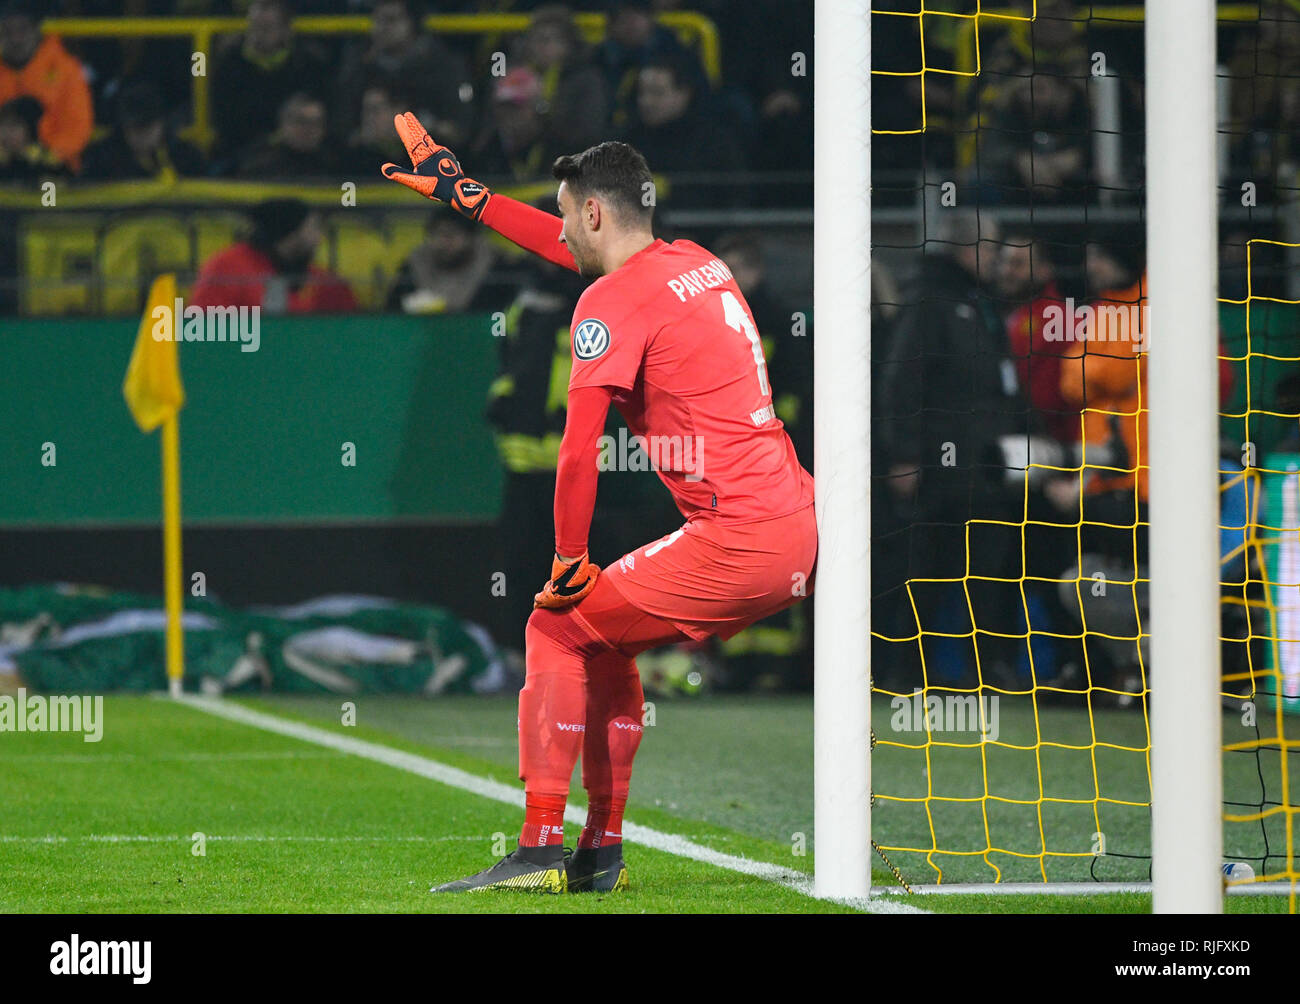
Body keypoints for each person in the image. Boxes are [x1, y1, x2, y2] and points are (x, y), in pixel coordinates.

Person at [381, 113, 816, 893]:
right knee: (604, 642)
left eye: (563, 213)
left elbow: (578, 450)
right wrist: (474, 199)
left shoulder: (606, 306)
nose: (561, 234)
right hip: (795, 516)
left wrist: (569, 560)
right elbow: (588, 260)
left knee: (555, 622)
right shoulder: (697, 264)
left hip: (738, 536)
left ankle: (540, 845)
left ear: (593, 212)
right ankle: (600, 852)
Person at [211, 0, 329, 169]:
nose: (260, 34)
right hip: (243, 153)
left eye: (268, 27)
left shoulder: (309, 64)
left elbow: (318, 111)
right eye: (256, 26)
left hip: (301, 151)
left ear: (286, 29)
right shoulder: (229, 64)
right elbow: (225, 119)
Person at [191, 197, 357, 314]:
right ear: (291, 234)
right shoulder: (227, 268)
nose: (319, 239)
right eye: (313, 228)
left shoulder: (320, 280)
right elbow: (207, 328)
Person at [0, 0, 93, 172]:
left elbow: (78, 126)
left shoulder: (66, 69)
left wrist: (47, 155)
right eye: (7, 30)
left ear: (37, 30)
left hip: (55, 168)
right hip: (3, 170)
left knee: (48, 193)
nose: (15, 39)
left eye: (23, 29)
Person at [385, 208, 523, 314]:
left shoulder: (498, 267)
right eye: (437, 234)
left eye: (452, 235)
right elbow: (392, 310)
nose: (444, 242)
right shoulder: (414, 265)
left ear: (471, 238)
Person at [81, 81, 206, 181]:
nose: (139, 136)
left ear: (161, 124)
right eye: (131, 128)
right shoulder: (102, 160)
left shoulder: (186, 158)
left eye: (145, 128)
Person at [237, 92, 335, 179]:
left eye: (316, 123)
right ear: (283, 124)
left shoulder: (333, 164)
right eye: (301, 121)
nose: (309, 129)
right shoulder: (258, 166)